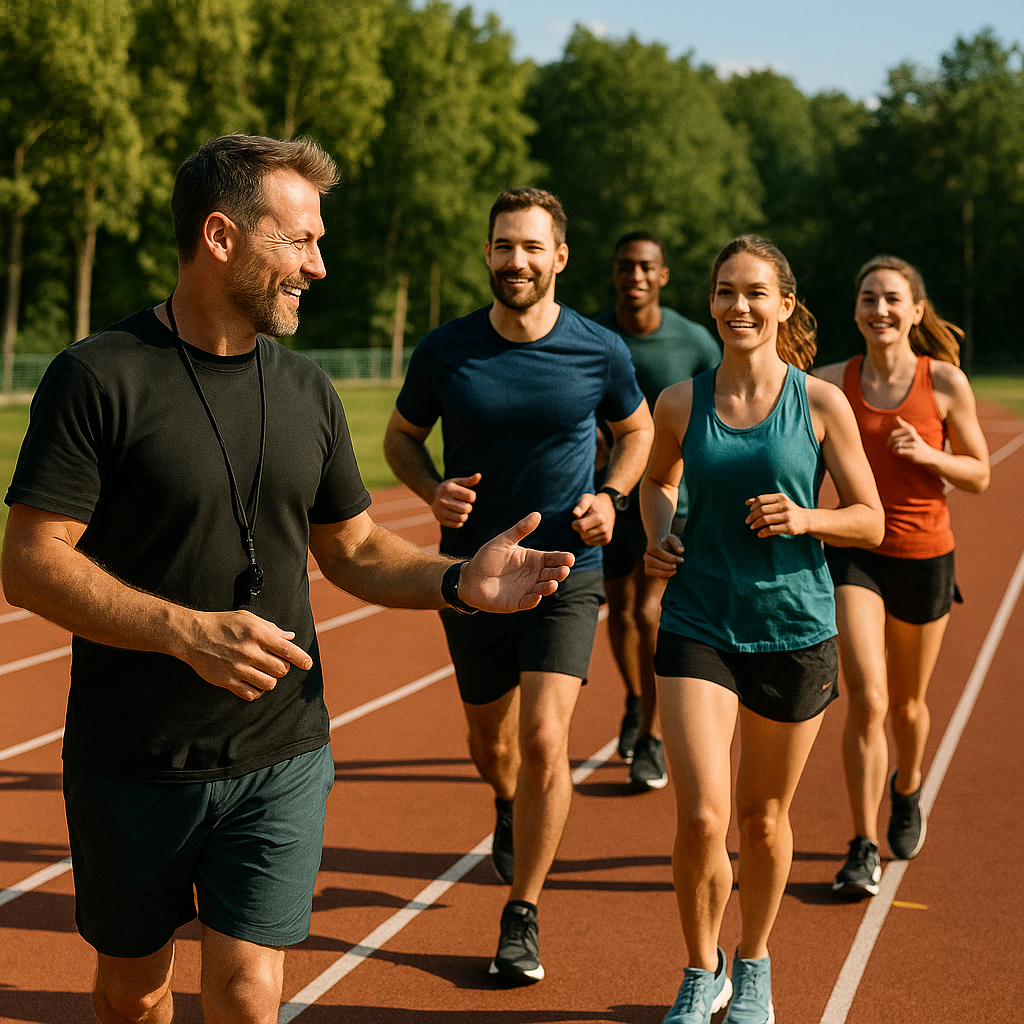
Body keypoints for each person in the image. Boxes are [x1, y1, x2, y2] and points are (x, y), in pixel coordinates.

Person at [0, 136, 576, 1024]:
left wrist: (462, 580)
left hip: (282, 750)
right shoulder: (97, 377)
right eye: (298, 240)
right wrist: (187, 632)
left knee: (245, 991)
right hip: (133, 758)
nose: (318, 263)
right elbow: (30, 563)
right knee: (133, 994)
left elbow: (354, 551)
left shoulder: (309, 390)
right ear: (222, 236)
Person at [384, 187, 653, 984]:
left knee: (545, 741)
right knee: (491, 743)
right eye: (504, 246)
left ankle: (523, 912)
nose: (517, 261)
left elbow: (633, 429)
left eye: (532, 247)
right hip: (472, 575)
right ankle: (506, 804)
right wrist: (431, 489)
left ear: (560, 257)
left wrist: (613, 497)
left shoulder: (598, 349)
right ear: (489, 254)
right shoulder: (445, 350)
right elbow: (402, 438)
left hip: (567, 569)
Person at [641, 235, 883, 1024]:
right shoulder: (681, 401)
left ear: (783, 305)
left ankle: (753, 966)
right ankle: (697, 966)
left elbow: (871, 521)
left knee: (764, 818)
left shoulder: (818, 402)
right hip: (698, 621)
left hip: (792, 627)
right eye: (724, 292)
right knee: (703, 817)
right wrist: (661, 530)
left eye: (754, 293)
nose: (737, 307)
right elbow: (657, 483)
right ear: (710, 302)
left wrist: (806, 515)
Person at [814, 255, 990, 898]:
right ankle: (862, 844)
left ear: (916, 310)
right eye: (868, 299)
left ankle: (907, 785)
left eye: (892, 299)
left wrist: (928, 453)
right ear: (856, 310)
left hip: (926, 555)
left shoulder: (943, 382)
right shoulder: (832, 381)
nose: (879, 310)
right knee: (869, 697)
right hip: (859, 553)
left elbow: (980, 474)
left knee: (910, 705)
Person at [594, 232, 720, 789]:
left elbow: (726, 403)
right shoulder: (594, 336)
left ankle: (652, 735)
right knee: (619, 613)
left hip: (676, 498)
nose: (636, 276)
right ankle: (637, 698)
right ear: (615, 272)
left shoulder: (694, 342)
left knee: (650, 613)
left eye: (647, 267)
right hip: (611, 495)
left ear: (663, 275)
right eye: (626, 266)